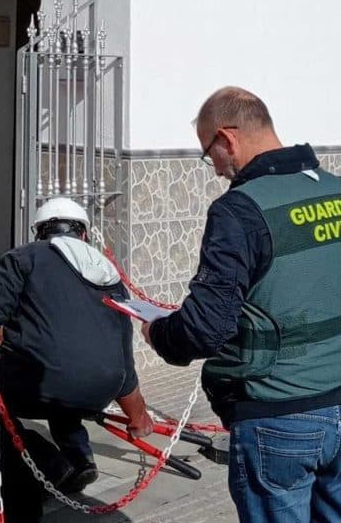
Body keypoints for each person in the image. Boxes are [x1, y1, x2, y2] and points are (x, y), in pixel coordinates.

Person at [142, 86, 341, 522]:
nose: (214, 169)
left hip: (278, 416)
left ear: (227, 139)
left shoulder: (239, 210)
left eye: (207, 153)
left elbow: (204, 329)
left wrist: (158, 332)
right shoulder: (335, 190)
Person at [0, 197, 153, 493]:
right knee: (57, 376)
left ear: (41, 232)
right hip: (103, 388)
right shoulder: (109, 273)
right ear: (83, 234)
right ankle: (80, 459)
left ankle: (48, 462)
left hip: (43, 381)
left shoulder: (25, 258)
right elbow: (122, 352)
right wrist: (137, 414)